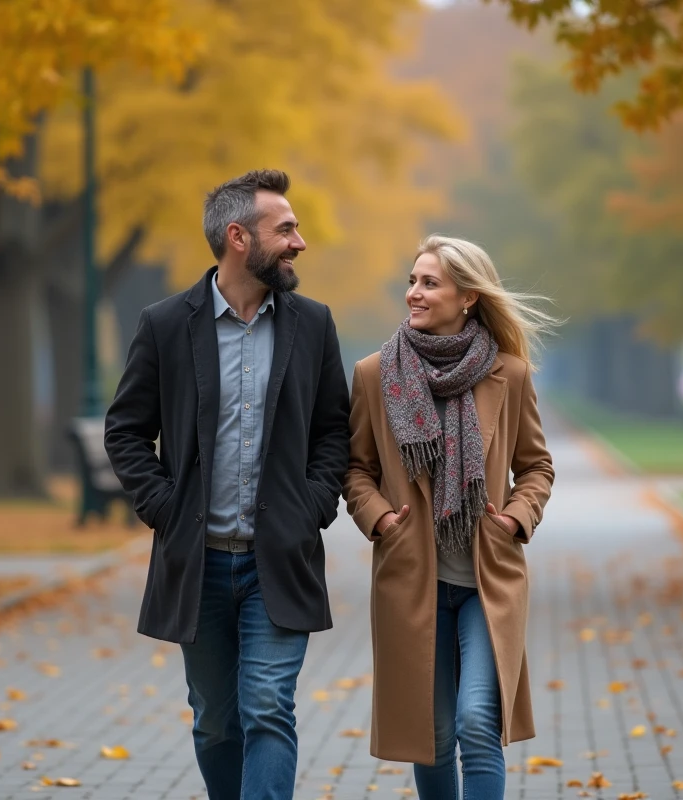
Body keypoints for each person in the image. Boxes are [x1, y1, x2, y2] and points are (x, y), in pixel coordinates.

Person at [105, 170, 350, 800]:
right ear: (239, 238)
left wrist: (312, 507)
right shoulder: (165, 324)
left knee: (267, 706)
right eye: (285, 229)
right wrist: (164, 506)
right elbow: (126, 430)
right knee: (216, 720)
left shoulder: (313, 324)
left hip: (281, 558)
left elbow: (333, 431)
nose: (299, 242)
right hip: (199, 564)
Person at [343, 234, 556, 799]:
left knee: (477, 722)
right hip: (413, 580)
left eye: (429, 283)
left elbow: (536, 466)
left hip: (487, 579)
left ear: (468, 297)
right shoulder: (375, 374)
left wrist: (516, 517)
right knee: (433, 738)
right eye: (412, 281)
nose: (414, 292)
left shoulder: (509, 374)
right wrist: (380, 519)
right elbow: (356, 469)